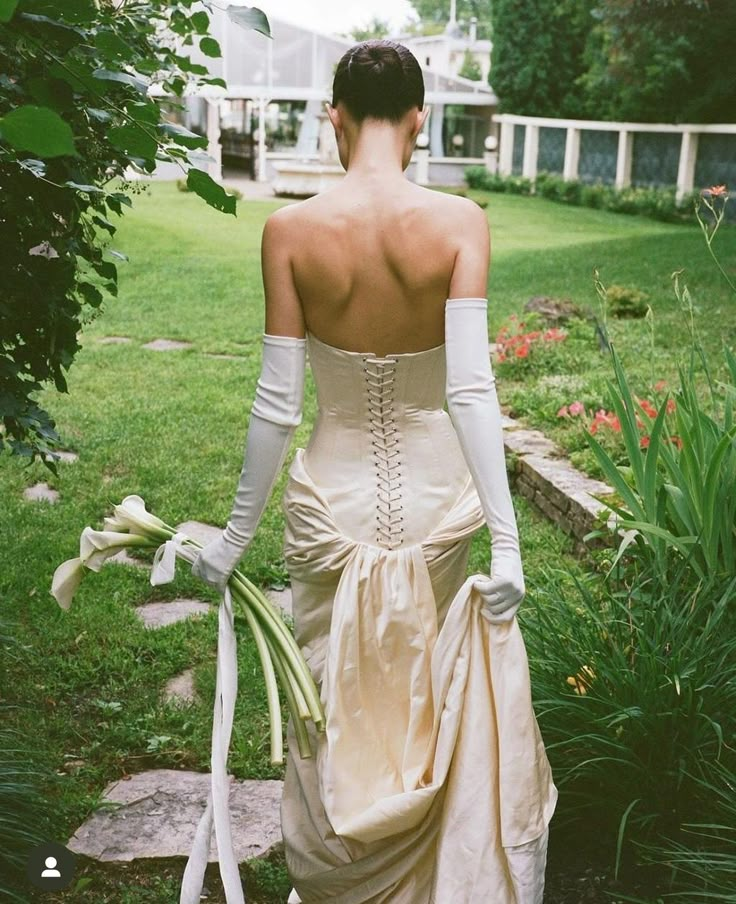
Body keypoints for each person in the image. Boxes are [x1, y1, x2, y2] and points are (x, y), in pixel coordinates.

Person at [190, 38, 557, 904]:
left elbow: (277, 405)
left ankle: (339, 879)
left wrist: (232, 539)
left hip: (332, 508)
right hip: (437, 507)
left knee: (328, 699)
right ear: (421, 118)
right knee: (430, 699)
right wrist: (508, 547)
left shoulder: (291, 231)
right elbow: (469, 391)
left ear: (336, 118)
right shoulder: (460, 224)